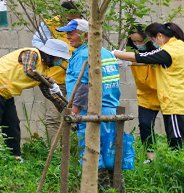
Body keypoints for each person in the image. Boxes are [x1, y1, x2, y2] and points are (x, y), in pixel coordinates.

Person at [0, 39, 71, 158]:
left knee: (12, 123)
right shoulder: (32, 53)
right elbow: (29, 70)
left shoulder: (43, 69)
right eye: (59, 58)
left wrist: (68, 111)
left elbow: (49, 94)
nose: (60, 61)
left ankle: (15, 156)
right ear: (52, 55)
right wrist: (50, 81)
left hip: (5, 91)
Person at [59, 18, 129, 172]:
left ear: (85, 36)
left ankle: (97, 192)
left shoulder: (84, 55)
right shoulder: (106, 53)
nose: (68, 37)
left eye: (71, 33)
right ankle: (115, 190)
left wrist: (74, 114)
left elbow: (83, 88)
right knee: (109, 153)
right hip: (110, 110)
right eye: (67, 34)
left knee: (91, 155)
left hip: (89, 111)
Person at [112, 22, 184, 150]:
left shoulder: (166, 51)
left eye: (148, 40)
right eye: (135, 41)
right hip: (160, 96)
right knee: (151, 127)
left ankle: (177, 166)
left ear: (159, 36)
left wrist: (115, 54)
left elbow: (142, 58)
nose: (138, 44)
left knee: (176, 139)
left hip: (173, 100)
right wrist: (127, 60)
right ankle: (154, 158)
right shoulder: (178, 45)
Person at [32, 1, 82, 145]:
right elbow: (37, 42)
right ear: (63, 14)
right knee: (53, 118)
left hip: (76, 79)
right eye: (70, 19)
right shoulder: (49, 24)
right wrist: (50, 54)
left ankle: (79, 149)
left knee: (79, 116)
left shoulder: (83, 25)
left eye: (76, 19)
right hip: (55, 78)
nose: (73, 22)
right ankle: (54, 152)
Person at [123, 27, 161, 155]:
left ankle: (176, 154)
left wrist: (132, 61)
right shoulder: (130, 51)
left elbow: (146, 60)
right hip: (145, 94)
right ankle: (150, 156)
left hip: (163, 93)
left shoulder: (158, 52)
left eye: (140, 41)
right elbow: (131, 57)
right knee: (145, 125)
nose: (138, 45)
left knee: (173, 126)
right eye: (135, 41)